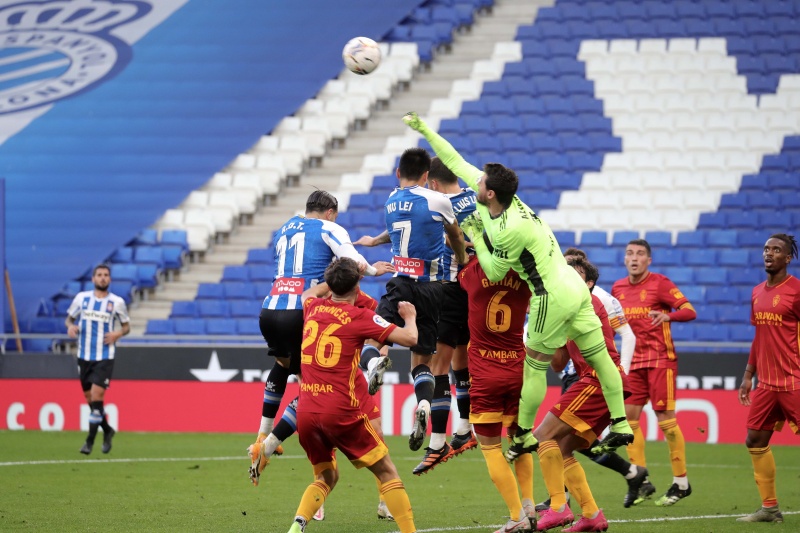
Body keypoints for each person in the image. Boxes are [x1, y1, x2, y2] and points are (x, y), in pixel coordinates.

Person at [401, 112, 632, 460]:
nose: (474, 185)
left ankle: (523, 434)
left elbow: (494, 272)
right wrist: (424, 129)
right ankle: (621, 424)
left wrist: (475, 235)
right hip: (575, 287)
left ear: (490, 193)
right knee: (601, 360)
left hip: (551, 295)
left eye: (479, 184)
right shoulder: (510, 203)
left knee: (535, 365)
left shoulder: (508, 229)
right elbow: (455, 160)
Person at [251, 257, 420, 533]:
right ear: (358, 284)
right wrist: (410, 317)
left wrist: (330, 282)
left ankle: (297, 526)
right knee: (387, 471)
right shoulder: (361, 316)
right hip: (341, 411)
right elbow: (411, 339)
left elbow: (308, 292)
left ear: (329, 285)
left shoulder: (311, 307)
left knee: (326, 476)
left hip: (306, 412)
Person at [254, 190, 393, 457]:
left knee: (282, 364)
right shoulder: (329, 227)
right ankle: (269, 444)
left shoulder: (284, 229)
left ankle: (263, 432)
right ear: (330, 213)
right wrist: (374, 269)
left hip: (270, 309)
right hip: (303, 309)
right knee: (314, 387)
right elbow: (354, 261)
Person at [354, 147, 468, 453]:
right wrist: (461, 258)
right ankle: (424, 406)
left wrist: (374, 241)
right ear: (427, 175)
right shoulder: (438, 200)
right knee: (422, 362)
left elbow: (399, 230)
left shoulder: (391, 200)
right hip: (432, 288)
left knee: (372, 338)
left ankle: (374, 362)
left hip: (401, 283)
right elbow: (455, 235)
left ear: (398, 173)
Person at [532, 257, 630, 531]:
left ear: (589, 284)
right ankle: (591, 515)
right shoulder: (570, 305)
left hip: (597, 380)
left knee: (543, 436)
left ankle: (558, 507)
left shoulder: (587, 302)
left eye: (574, 274)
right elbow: (558, 364)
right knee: (563, 449)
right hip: (601, 382)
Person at [556, 248, 651, 508]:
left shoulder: (601, 298)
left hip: (591, 377)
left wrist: (621, 372)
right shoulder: (561, 295)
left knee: (554, 438)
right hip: (574, 374)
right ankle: (631, 473)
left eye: (571, 268)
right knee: (573, 442)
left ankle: (561, 499)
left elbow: (627, 335)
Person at [611, 239, 697, 506]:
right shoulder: (618, 288)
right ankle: (641, 480)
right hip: (633, 363)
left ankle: (681, 483)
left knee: (665, 420)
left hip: (660, 360)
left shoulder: (660, 283)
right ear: (624, 259)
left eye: (640, 254)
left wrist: (669, 316)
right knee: (629, 421)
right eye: (629, 253)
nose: (634, 258)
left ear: (648, 260)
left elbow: (689, 311)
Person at [458, 255, 535, 533]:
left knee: (491, 448)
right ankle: (529, 504)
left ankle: (516, 516)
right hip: (518, 371)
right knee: (519, 439)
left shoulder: (473, 272)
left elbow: (459, 263)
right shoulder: (525, 276)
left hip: (486, 373)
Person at [737, 233, 800, 524]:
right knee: (755, 439)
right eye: (766, 248)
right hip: (767, 384)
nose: (769, 253)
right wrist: (748, 374)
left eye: (776, 250)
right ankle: (770, 509)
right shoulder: (756, 292)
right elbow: (759, 336)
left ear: (788, 258)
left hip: (794, 381)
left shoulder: (796, 291)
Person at [65, 264, 130, 455]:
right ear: (93, 279)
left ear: (110, 279)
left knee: (97, 396)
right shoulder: (82, 298)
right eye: (99, 275)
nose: (103, 278)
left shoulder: (117, 302)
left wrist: (117, 334)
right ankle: (108, 430)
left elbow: (126, 327)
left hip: (104, 356)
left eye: (106, 275)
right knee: (91, 400)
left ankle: (89, 442)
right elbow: (69, 319)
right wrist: (70, 327)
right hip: (84, 355)